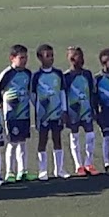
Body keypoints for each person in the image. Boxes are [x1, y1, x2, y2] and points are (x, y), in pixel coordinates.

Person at [32, 43, 68, 180]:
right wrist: (39, 108)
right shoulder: (36, 76)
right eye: (48, 56)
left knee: (57, 139)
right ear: (40, 58)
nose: (51, 58)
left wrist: (64, 110)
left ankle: (59, 169)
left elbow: (62, 92)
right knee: (42, 140)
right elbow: (33, 95)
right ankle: (43, 170)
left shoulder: (58, 73)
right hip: (43, 115)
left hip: (57, 113)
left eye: (52, 55)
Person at [0, 44, 33, 182]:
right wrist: (2, 104)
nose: (24, 61)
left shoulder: (28, 74)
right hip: (11, 115)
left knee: (23, 142)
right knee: (12, 142)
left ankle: (22, 171)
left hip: (24, 113)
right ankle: (9, 172)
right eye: (21, 58)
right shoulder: (7, 74)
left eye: (26, 58)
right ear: (12, 58)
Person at [64, 46, 98, 177]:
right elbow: (63, 94)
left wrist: (94, 108)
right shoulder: (66, 77)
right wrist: (65, 112)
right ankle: (79, 165)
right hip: (73, 112)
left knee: (90, 136)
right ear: (72, 59)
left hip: (86, 110)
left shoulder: (87, 74)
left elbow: (92, 92)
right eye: (79, 57)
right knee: (75, 137)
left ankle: (89, 162)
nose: (82, 59)